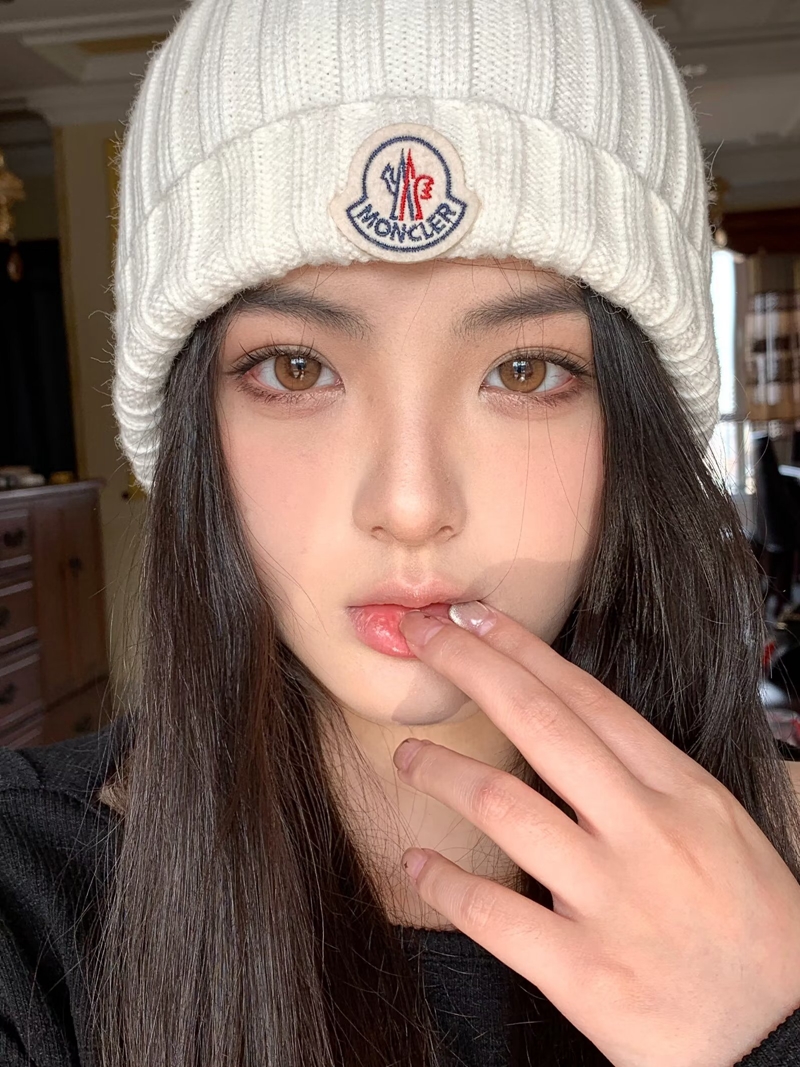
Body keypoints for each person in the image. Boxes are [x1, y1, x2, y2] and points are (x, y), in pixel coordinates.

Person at [4, 0, 800, 1064]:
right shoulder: (22, 904)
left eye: (525, 371)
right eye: (296, 368)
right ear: (195, 428)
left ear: (635, 425)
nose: (413, 503)